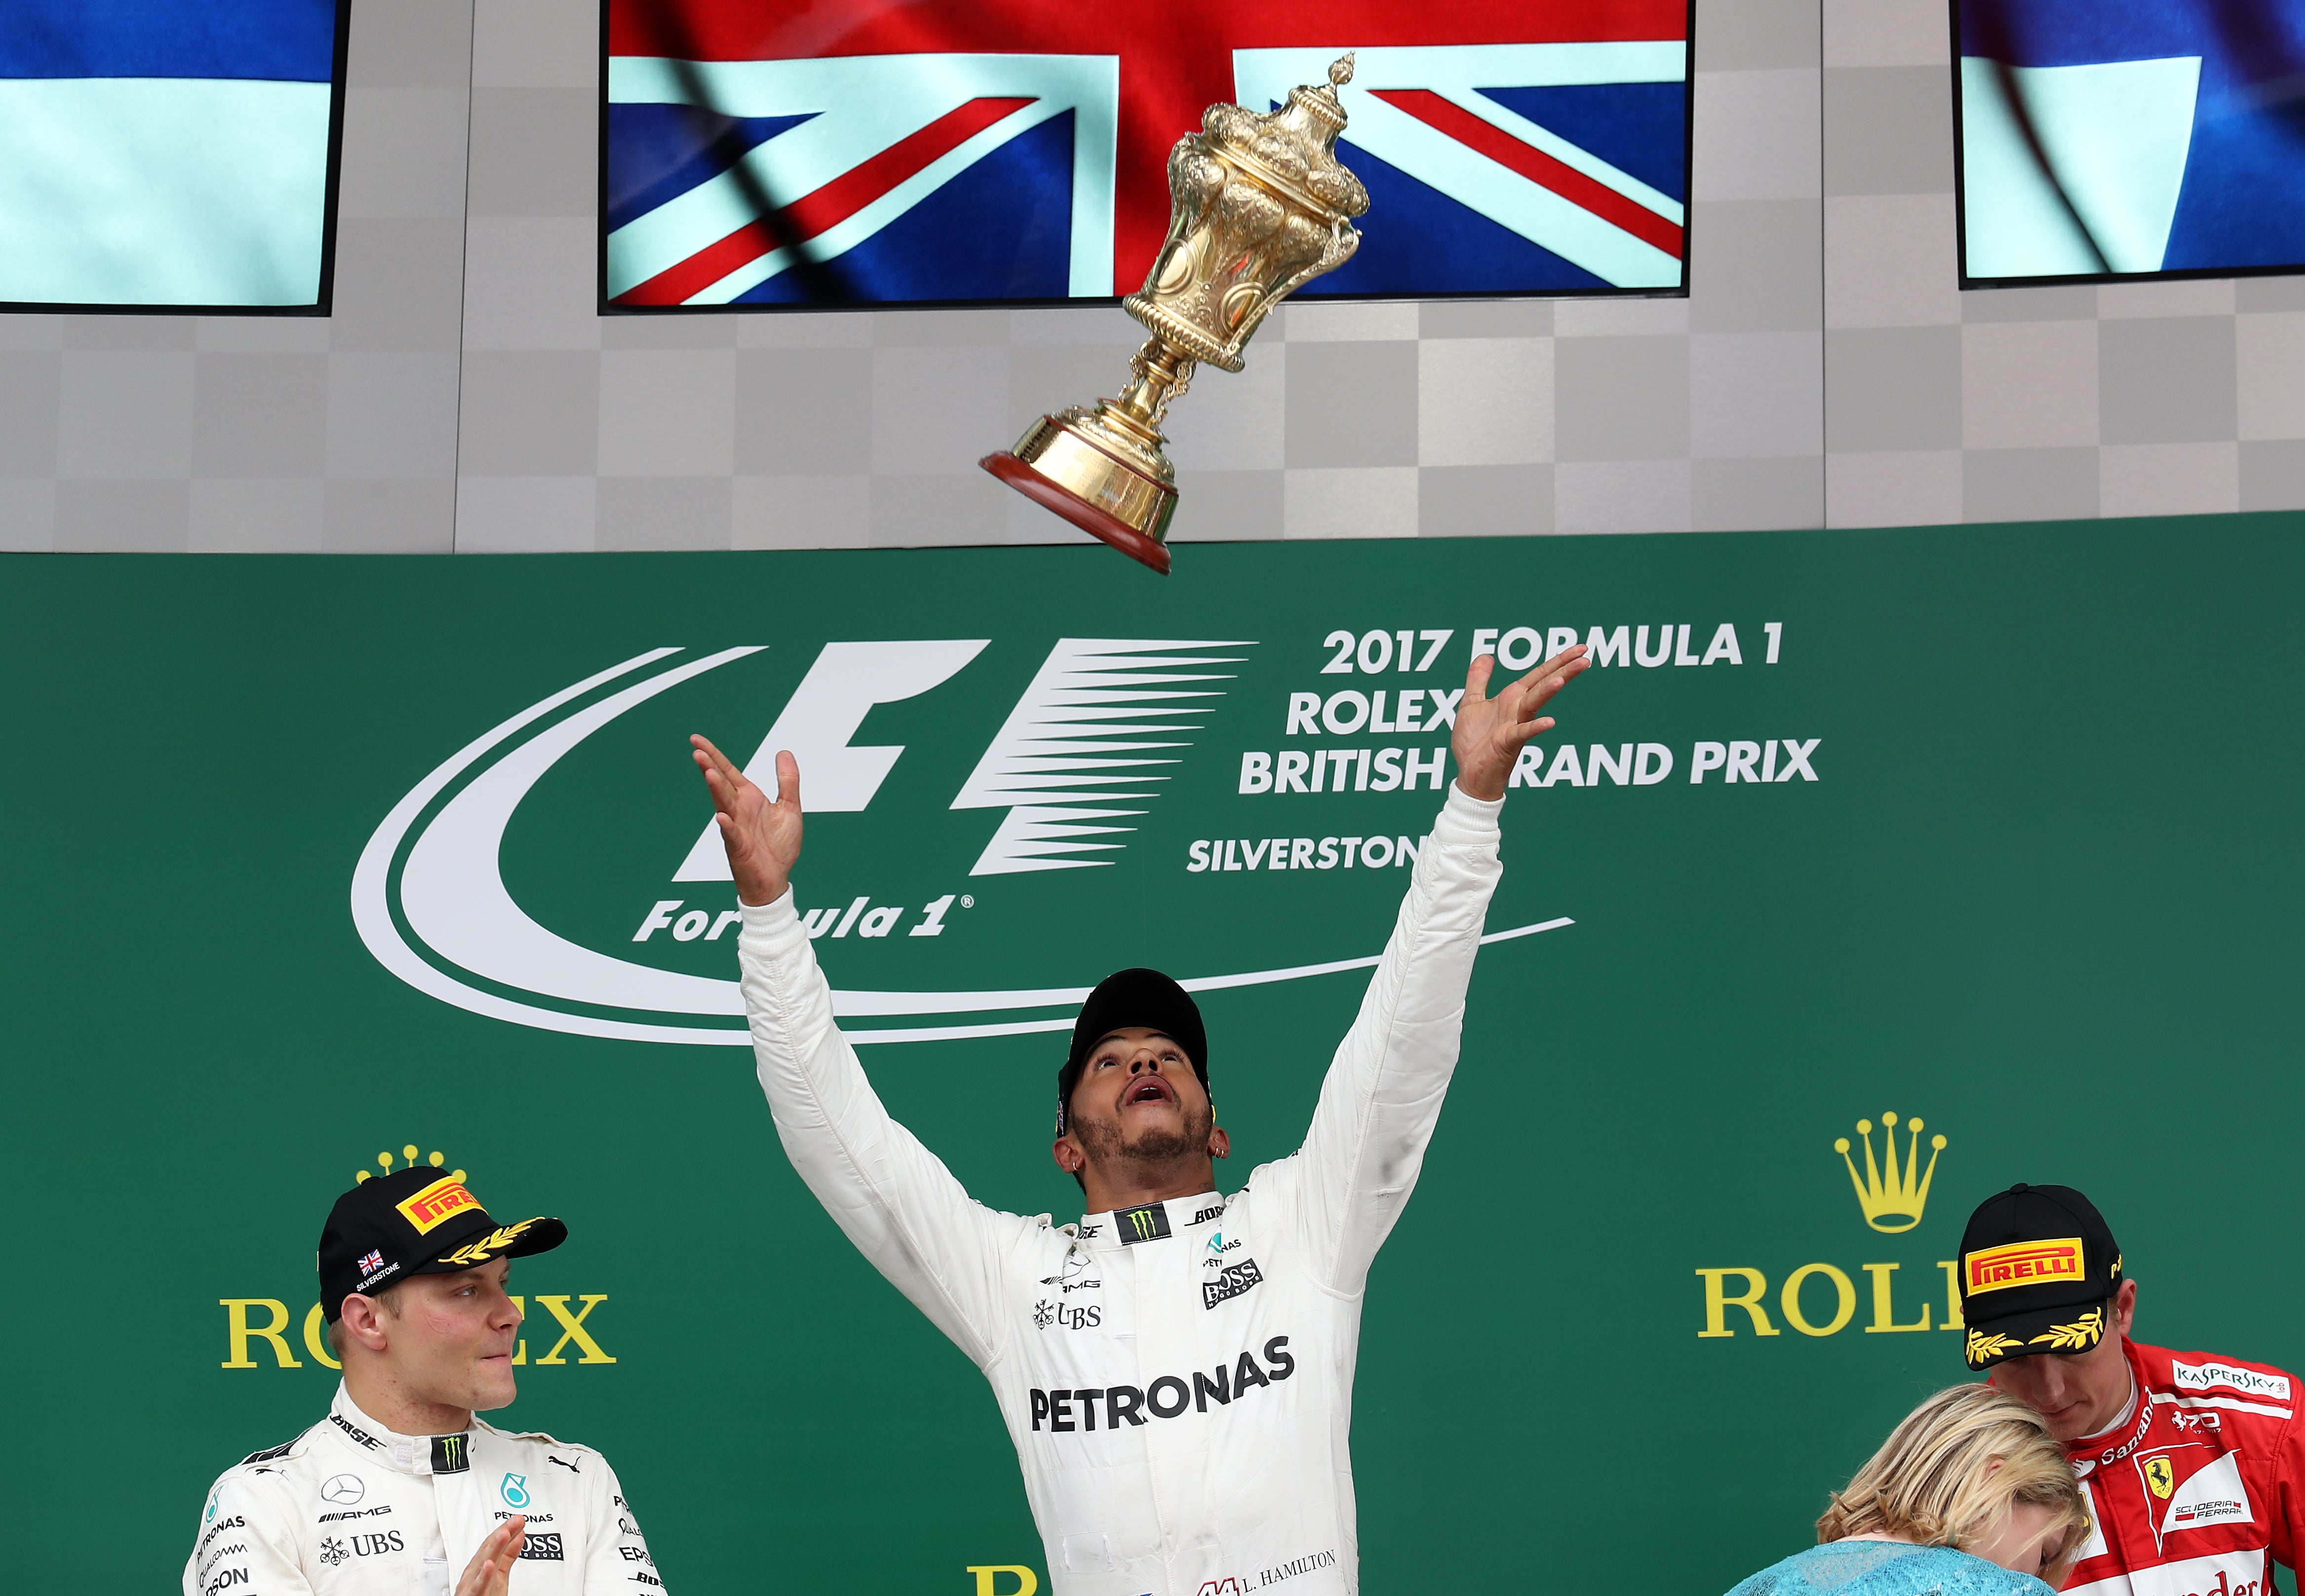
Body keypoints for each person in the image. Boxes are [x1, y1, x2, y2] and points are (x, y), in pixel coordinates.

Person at [689, 643, 1590, 1596]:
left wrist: (1469, 811)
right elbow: (839, 1140)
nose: (1145, 1061)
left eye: (1167, 1053)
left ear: (1218, 1131)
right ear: (1065, 1143)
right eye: (1109, 1059)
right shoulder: (1010, 1275)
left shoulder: (1298, 1223)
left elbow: (1401, 1043)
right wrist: (767, 914)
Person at [184, 1166, 664, 1596]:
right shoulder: (263, 1501)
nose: (511, 1314)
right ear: (368, 1321)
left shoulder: (575, 1480)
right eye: (467, 1290)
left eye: (505, 1282)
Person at [1954, 1182, 2305, 1596]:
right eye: (2015, 1358)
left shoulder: (2262, 1417)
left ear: (2121, 1309)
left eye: (2071, 1347)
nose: (2048, 1390)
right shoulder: (1954, 1477)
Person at [1725, 1383, 2088, 1596]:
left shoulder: (1763, 1586)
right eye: (2044, 1553)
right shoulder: (2000, 1590)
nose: (2038, 1578)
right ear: (1992, 1480)